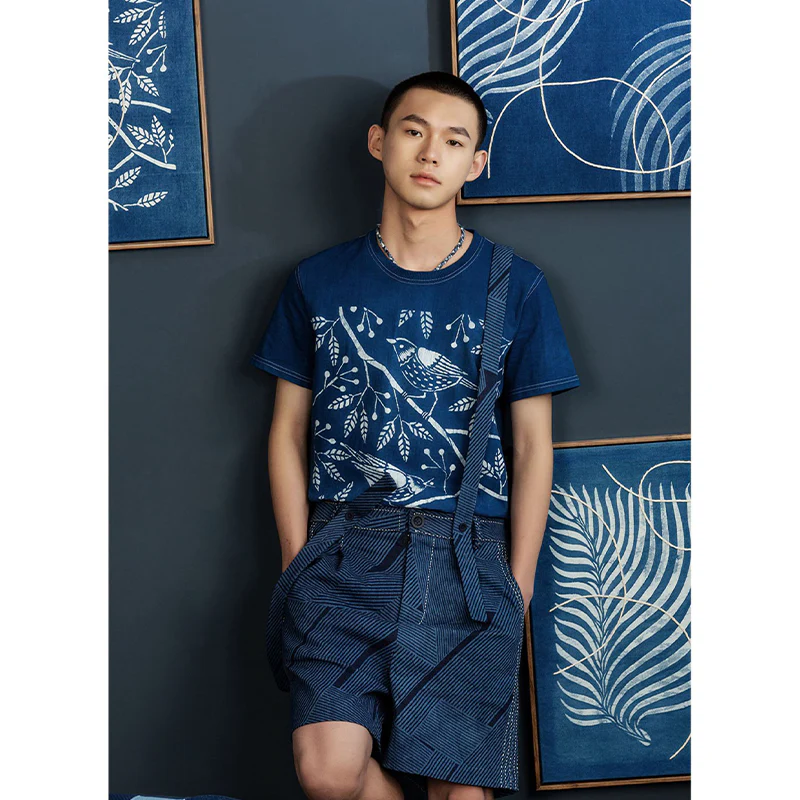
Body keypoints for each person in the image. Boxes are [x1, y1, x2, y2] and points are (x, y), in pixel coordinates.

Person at [250, 71, 580, 800]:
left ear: (476, 164)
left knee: (459, 790)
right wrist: (297, 560)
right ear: (379, 142)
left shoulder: (516, 286)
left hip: (468, 555)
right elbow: (286, 432)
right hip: (344, 549)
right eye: (413, 130)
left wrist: (518, 583)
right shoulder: (317, 281)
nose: (431, 152)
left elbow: (533, 448)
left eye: (454, 141)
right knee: (327, 771)